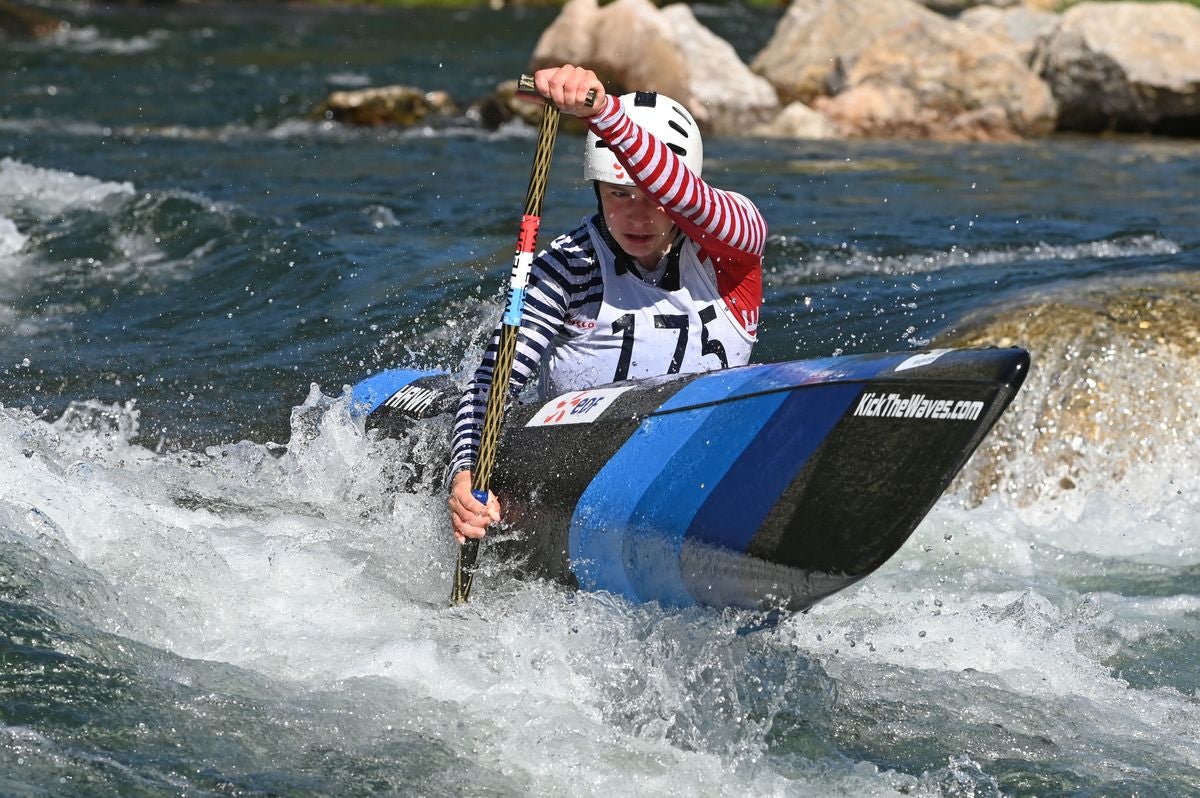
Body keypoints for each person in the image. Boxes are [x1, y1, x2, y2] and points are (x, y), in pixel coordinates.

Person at [447, 64, 767, 545]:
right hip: (580, 480)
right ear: (597, 191)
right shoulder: (567, 265)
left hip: (705, 459)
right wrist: (465, 476)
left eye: (653, 198)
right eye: (619, 195)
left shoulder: (735, 240)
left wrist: (602, 112)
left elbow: (690, 198)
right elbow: (495, 383)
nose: (637, 215)